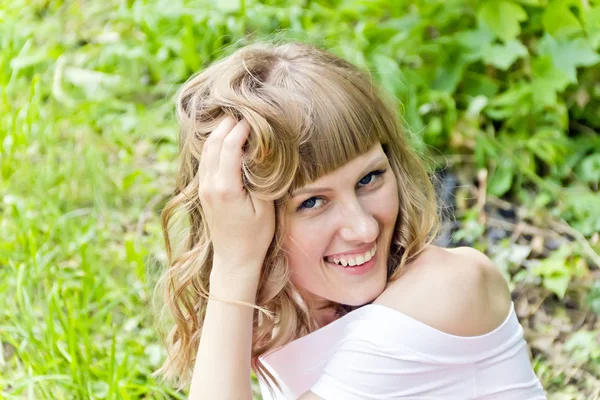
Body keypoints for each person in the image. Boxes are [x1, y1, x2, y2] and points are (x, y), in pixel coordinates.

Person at [153, 39, 547, 399]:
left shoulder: (445, 290)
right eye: (312, 203)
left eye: (369, 178)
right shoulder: (295, 315)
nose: (364, 228)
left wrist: (235, 266)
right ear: (246, 216)